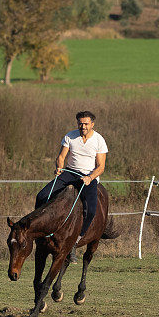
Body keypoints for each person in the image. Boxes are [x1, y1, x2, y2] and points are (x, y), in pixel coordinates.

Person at [35, 111, 108, 261]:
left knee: (91, 210)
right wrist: (59, 167)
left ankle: (75, 242)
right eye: (80, 123)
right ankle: (38, 231)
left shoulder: (99, 140)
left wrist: (90, 177)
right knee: (42, 196)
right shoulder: (70, 136)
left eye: (86, 124)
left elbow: (101, 167)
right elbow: (61, 157)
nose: (83, 126)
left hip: (88, 176)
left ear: (92, 124)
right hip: (69, 173)